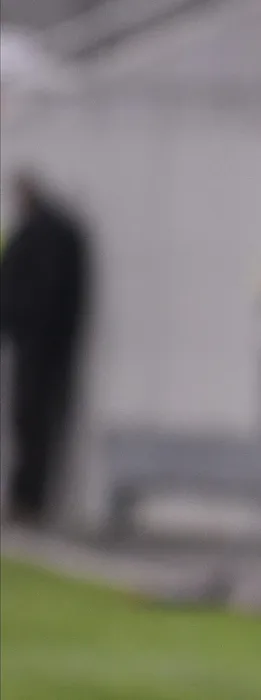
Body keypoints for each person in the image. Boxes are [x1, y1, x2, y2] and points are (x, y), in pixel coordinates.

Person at [0, 170, 90, 526]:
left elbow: (36, 293)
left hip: (39, 346)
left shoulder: (43, 234)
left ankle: (28, 499)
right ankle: (26, 497)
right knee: (30, 423)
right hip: (39, 344)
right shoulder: (49, 231)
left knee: (33, 422)